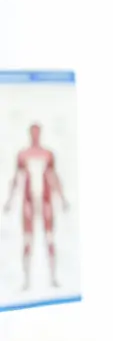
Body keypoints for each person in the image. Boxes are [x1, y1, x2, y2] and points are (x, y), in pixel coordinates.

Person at [4, 123, 71, 291]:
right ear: (30, 134)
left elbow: (53, 177)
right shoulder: (23, 155)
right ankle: (26, 281)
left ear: (40, 134)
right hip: (29, 202)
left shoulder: (48, 154)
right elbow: (17, 178)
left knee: (49, 238)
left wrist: (62, 198)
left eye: (37, 132)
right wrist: (9, 201)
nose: (35, 135)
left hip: (45, 202)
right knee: (28, 240)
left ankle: (53, 278)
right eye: (32, 132)